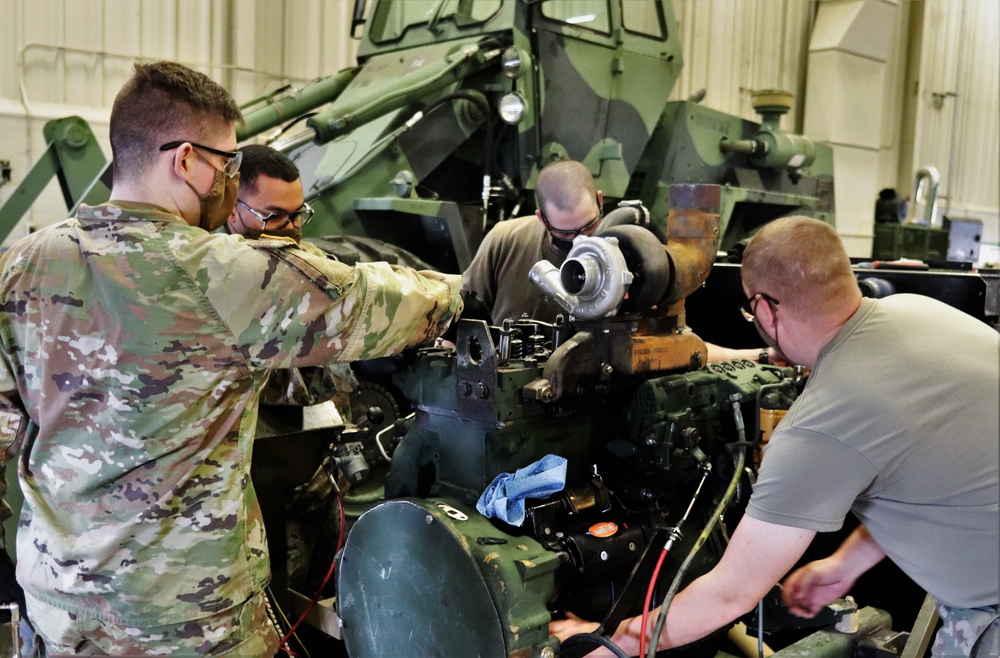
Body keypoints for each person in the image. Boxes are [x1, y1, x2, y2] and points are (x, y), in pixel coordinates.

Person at [0, 60, 462, 656]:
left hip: (59, 612)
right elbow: (373, 301)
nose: (230, 178)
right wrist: (462, 289)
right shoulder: (219, 273)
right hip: (187, 623)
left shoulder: (23, 265)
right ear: (185, 160)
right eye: (228, 163)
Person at [550, 216, 999, 657]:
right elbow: (934, 466)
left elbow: (730, 595)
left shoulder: (823, 422)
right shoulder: (922, 312)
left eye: (751, 312)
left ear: (765, 307)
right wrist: (846, 565)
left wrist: (616, 642)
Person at [461, 159, 779, 364]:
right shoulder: (505, 240)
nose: (580, 242)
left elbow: (672, 347)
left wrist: (758, 355)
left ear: (601, 201)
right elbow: (460, 318)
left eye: (588, 227)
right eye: (564, 232)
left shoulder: (626, 258)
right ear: (541, 218)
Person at [226, 143, 359, 413]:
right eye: (274, 216)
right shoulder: (214, 275)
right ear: (232, 211)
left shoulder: (311, 258)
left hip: (321, 421)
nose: (291, 228)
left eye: (298, 214)